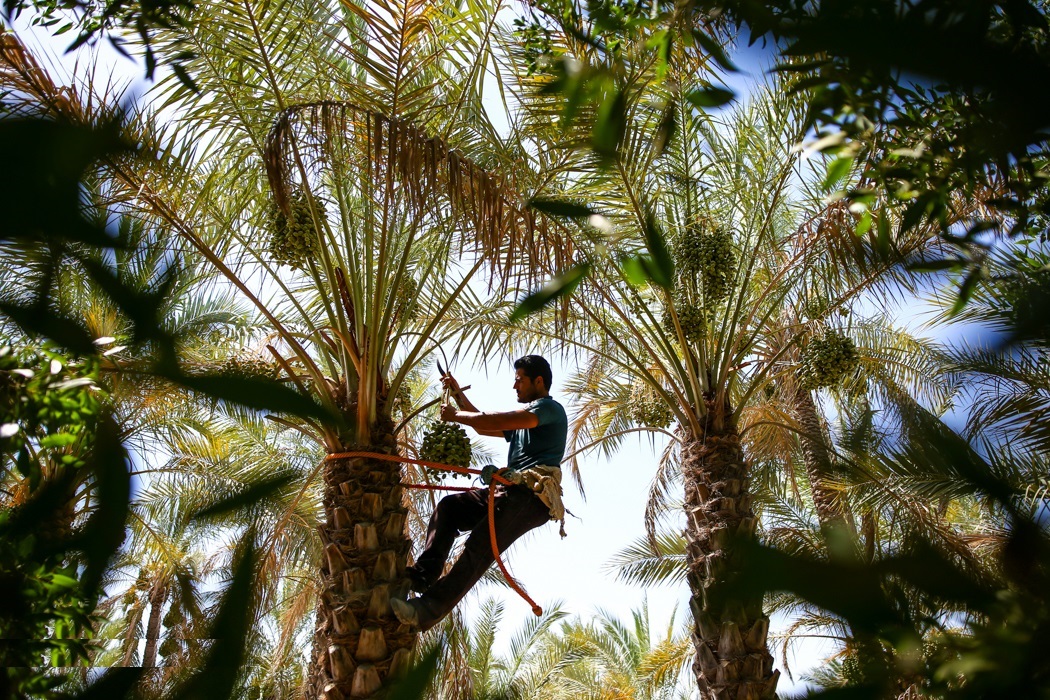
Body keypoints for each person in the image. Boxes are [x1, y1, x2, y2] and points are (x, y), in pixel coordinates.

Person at [390, 355, 568, 631]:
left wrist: (456, 415)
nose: (514, 386)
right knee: (449, 508)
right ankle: (421, 576)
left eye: (520, 379)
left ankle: (425, 611)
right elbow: (484, 424)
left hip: (531, 498)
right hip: (508, 491)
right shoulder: (526, 420)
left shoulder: (548, 410)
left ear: (539, 381)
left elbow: (496, 420)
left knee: (478, 548)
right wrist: (458, 395)